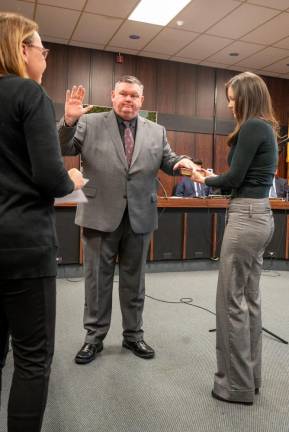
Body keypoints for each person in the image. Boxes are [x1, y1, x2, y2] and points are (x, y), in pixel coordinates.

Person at [58, 75, 196, 364]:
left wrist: (181, 163)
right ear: (112, 96)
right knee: (97, 281)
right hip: (99, 214)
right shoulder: (89, 122)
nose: (128, 100)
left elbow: (168, 160)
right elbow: (64, 147)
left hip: (139, 217)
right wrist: (68, 122)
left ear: (141, 100)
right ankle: (93, 338)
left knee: (135, 281)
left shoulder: (156, 131)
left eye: (134, 95)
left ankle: (133, 335)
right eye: (123, 94)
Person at [0, 12, 84, 432]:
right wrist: (71, 177)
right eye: (42, 49)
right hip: (23, 243)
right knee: (33, 358)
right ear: (21, 49)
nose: (45, 57)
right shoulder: (29, 94)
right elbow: (50, 178)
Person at [193, 71, 278, 405]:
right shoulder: (265, 127)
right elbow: (238, 179)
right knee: (249, 300)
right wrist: (218, 179)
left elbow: (233, 177)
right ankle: (250, 378)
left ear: (246, 96)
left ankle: (235, 386)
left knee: (231, 302)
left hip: (245, 217)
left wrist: (206, 177)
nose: (229, 105)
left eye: (231, 98)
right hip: (260, 215)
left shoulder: (253, 127)